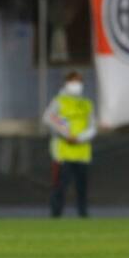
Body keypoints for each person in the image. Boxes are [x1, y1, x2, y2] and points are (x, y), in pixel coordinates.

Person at [42, 71, 96, 218]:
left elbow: (92, 127)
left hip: (82, 153)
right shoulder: (59, 101)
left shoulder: (86, 104)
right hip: (63, 153)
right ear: (66, 83)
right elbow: (48, 118)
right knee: (60, 187)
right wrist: (66, 134)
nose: (76, 85)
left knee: (82, 188)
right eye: (73, 81)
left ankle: (83, 215)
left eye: (79, 82)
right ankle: (56, 215)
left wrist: (80, 138)